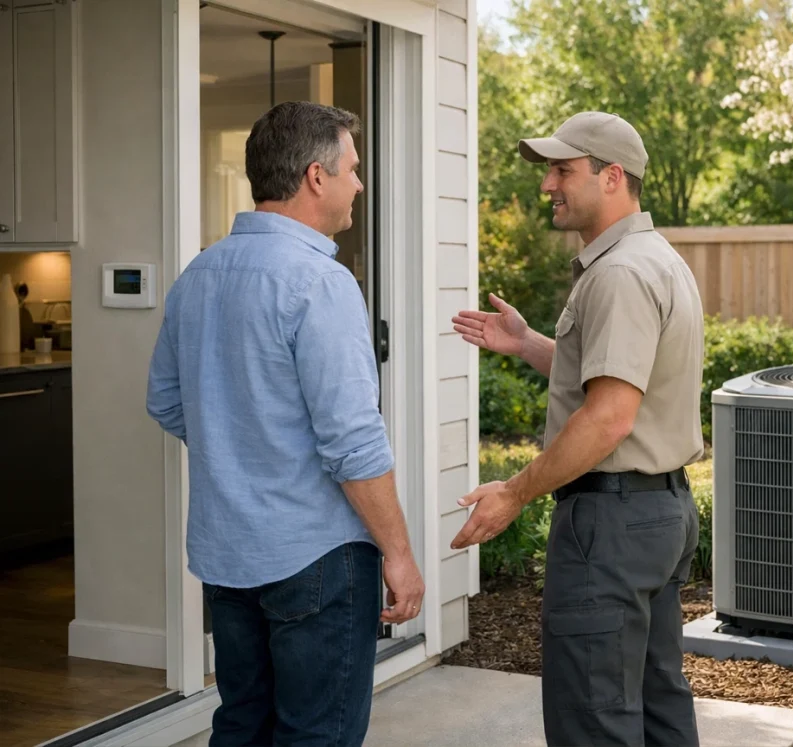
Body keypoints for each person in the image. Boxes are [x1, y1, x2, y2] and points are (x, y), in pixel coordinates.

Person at [146, 101, 424, 746]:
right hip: (318, 559)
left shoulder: (199, 275)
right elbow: (354, 443)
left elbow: (165, 401)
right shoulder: (319, 281)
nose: (359, 183)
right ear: (315, 176)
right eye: (353, 169)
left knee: (242, 725)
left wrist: (238, 444)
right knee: (316, 736)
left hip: (228, 553)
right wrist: (401, 555)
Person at [451, 111, 704, 746]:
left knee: (594, 719)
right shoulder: (653, 258)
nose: (547, 186)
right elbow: (623, 384)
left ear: (612, 176)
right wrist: (534, 344)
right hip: (657, 512)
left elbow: (610, 418)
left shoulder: (619, 273)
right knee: (655, 707)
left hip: (611, 527)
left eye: (563, 170)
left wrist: (513, 492)